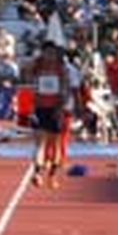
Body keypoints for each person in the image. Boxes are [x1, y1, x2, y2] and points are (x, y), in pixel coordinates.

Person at [28, 38, 70, 187]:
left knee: (54, 144)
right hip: (41, 107)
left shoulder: (60, 68)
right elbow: (26, 73)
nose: (49, 55)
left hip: (54, 108)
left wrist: (62, 106)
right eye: (46, 52)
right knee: (41, 143)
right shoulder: (39, 66)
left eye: (51, 53)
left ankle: (50, 175)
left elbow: (65, 87)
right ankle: (40, 173)